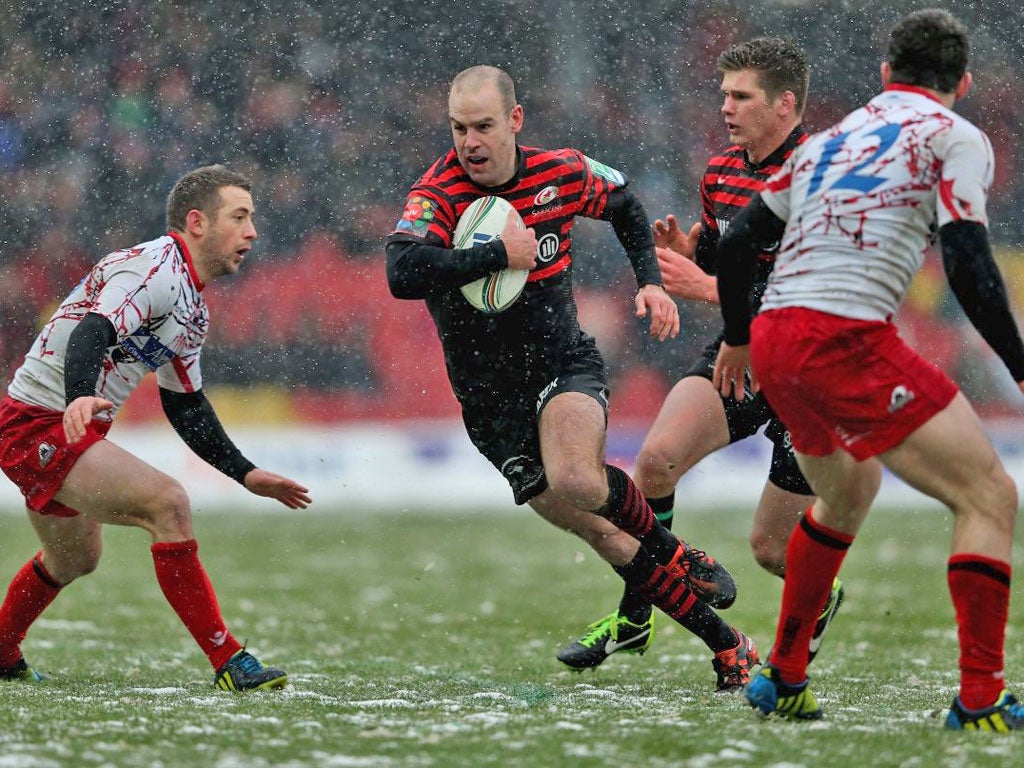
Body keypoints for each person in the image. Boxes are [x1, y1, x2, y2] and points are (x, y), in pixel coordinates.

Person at [386, 65, 760, 691]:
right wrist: (493, 256)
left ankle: (674, 553)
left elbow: (624, 204)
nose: (469, 142)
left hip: (562, 364)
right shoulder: (439, 193)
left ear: (515, 121)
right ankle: (729, 645)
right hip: (489, 405)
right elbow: (401, 272)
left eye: (482, 126)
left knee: (580, 478)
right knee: (603, 533)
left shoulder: (558, 171)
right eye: (458, 128)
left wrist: (647, 278)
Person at [713, 10, 1024, 728]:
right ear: (963, 83)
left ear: (885, 76)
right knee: (989, 497)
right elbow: (969, 262)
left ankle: (782, 678)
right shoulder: (956, 136)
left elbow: (736, 243)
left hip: (776, 341)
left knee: (848, 492)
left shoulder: (833, 137)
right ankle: (979, 700)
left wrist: (736, 337)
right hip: (843, 337)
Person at [558, 38, 843, 673]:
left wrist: (703, 286)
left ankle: (820, 593)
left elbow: (810, 298)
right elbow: (726, 262)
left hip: (808, 372)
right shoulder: (721, 172)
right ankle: (635, 619)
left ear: (785, 104)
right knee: (653, 465)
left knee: (771, 548)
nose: (726, 107)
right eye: (723, 95)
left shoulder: (822, 176)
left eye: (740, 96)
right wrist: (695, 255)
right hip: (741, 352)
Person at [0, 164, 312, 691]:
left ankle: (2, 651)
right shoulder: (155, 268)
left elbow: (185, 403)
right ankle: (229, 660)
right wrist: (78, 398)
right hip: (38, 423)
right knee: (169, 505)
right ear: (197, 222)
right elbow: (92, 331)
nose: (252, 232)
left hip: (63, 426)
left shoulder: (192, 305)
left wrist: (246, 472)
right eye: (239, 217)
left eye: (251, 219)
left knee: (76, 558)